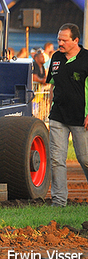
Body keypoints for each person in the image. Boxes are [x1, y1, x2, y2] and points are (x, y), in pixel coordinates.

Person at [45, 23, 88, 207]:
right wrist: (51, 108)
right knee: (56, 159)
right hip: (58, 116)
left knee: (85, 158)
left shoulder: (86, 58)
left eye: (64, 40)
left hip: (81, 118)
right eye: (58, 39)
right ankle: (59, 201)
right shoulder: (55, 57)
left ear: (76, 40)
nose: (60, 43)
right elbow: (53, 84)